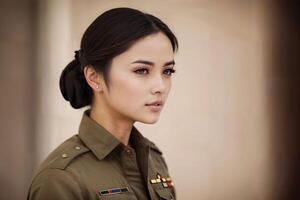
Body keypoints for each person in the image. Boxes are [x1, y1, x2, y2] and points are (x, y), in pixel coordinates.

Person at [27, 7, 178, 200]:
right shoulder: (61, 178)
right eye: (141, 70)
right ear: (94, 78)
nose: (160, 87)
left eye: (167, 71)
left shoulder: (153, 159)